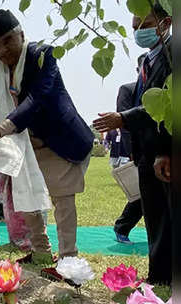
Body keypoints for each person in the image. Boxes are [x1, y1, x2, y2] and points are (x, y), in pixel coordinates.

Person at [0, 9, 94, 278]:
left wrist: (2, 128)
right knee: (25, 198)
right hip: (22, 145)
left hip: (57, 140)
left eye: (8, 41)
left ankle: (68, 261)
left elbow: (38, 99)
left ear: (21, 34)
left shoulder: (43, 55)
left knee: (62, 200)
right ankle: (42, 250)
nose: (2, 50)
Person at [93, 3, 171, 285]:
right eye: (134, 26)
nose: (138, 31)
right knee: (154, 217)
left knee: (167, 218)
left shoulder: (173, 56)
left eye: (145, 25)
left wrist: (122, 119)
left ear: (166, 23)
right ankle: (159, 275)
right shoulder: (147, 60)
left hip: (165, 155)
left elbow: (164, 104)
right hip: (146, 154)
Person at [111, 55, 146, 244]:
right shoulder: (128, 90)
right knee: (142, 193)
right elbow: (123, 123)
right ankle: (122, 227)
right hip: (140, 148)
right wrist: (130, 150)